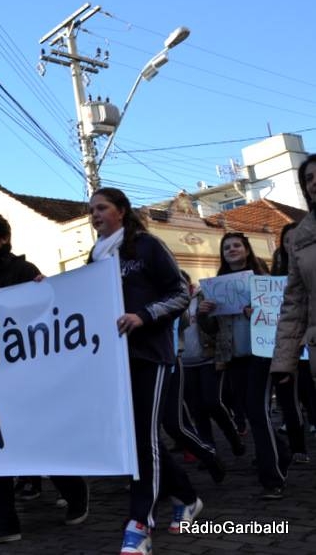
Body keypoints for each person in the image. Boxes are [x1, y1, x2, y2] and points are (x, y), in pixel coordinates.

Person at [86, 189, 199, 555]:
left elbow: (181, 293)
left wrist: (144, 315)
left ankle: (140, 525)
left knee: (145, 439)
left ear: (120, 211)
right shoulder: (95, 256)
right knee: (136, 440)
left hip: (150, 355)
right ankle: (186, 496)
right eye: (91, 211)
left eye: (101, 208)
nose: (95, 215)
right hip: (114, 361)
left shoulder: (148, 246)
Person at [0, 212, 89, 548]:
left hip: (27, 373)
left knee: (40, 441)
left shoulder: (23, 270)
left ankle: (76, 493)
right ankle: (4, 523)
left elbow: (47, 309)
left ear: (4, 238)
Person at [199, 232, 290, 499]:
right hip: (234, 358)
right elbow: (210, 330)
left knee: (258, 412)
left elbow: (279, 316)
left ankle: (272, 478)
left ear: (247, 249)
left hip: (261, 355)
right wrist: (204, 313)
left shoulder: (265, 282)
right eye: (227, 247)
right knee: (253, 413)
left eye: (237, 245)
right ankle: (280, 452)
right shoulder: (215, 286)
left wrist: (258, 313)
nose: (232, 249)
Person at [162, 271, 228, 484]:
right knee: (148, 429)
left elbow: (187, 322)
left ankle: (210, 452)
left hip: (176, 360)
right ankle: (163, 481)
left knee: (179, 421)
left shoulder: (185, 297)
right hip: (147, 364)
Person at [272, 153, 316, 463]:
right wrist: (283, 363)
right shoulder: (301, 236)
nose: (314, 183)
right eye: (308, 179)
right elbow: (294, 304)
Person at [177, 273, 245, 459]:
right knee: (197, 409)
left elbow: (215, 325)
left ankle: (234, 437)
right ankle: (209, 448)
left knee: (212, 402)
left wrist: (204, 313)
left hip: (208, 358)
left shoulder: (203, 297)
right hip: (186, 361)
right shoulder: (172, 302)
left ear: (188, 283)